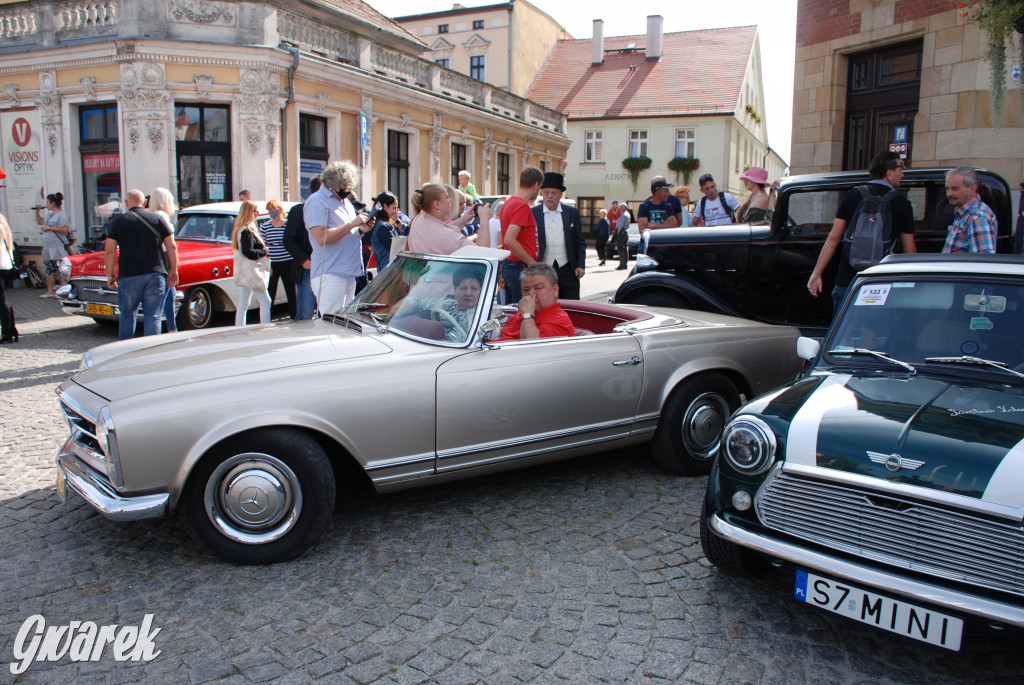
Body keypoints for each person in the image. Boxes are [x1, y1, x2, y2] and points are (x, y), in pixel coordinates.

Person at [807, 151, 916, 314]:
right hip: (881, 279)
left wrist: (816, 273)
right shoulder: (902, 204)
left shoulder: (853, 195)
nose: (903, 173)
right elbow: (909, 250)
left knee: (842, 328)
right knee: (871, 328)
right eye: (901, 168)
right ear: (889, 173)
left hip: (848, 277)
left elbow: (833, 237)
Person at [105, 189, 179, 340]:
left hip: (128, 275)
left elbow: (110, 251)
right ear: (145, 202)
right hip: (155, 274)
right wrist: (173, 270)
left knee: (127, 315)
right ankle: (151, 351)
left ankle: (126, 351)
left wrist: (110, 275)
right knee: (153, 316)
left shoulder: (118, 222)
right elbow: (171, 246)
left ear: (126, 203)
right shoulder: (157, 219)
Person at [304, 161, 371, 316]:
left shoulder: (344, 202)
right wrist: (352, 224)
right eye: (345, 185)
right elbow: (321, 237)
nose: (347, 189)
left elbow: (344, 233)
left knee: (344, 323)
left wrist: (361, 230)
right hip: (330, 273)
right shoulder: (317, 201)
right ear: (333, 183)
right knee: (331, 323)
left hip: (346, 272)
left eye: (349, 185)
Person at [532, 172, 585, 300]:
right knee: (545, 304)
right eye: (546, 192)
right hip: (543, 269)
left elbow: (579, 241)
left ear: (561, 194)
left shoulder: (571, 213)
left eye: (554, 193)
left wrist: (580, 265)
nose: (549, 196)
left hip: (567, 268)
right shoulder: (533, 213)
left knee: (571, 305)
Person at [398, 266, 484, 339]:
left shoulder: (487, 313)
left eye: (474, 289)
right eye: (463, 288)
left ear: (481, 291)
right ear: (455, 290)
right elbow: (416, 300)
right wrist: (397, 312)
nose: (468, 293)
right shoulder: (445, 302)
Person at [497, 263, 576, 341]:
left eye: (539, 288)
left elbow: (532, 347)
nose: (531, 294)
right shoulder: (523, 313)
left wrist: (527, 314)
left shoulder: (559, 320)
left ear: (555, 290)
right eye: (526, 290)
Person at [500, 166, 544, 302]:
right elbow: (509, 239)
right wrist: (531, 262)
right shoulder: (522, 206)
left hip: (511, 264)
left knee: (512, 312)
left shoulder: (509, 202)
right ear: (536, 185)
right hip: (518, 266)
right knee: (523, 312)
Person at [284, 176, 319, 320]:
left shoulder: (330, 210)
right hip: (308, 268)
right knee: (305, 314)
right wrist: (304, 260)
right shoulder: (298, 211)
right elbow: (288, 239)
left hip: (327, 267)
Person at [231, 201, 271, 326]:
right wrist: (263, 251)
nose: (257, 214)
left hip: (245, 271)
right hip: (252, 270)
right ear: (249, 213)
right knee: (265, 301)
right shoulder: (247, 231)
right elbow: (248, 252)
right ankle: (266, 327)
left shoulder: (240, 230)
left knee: (244, 302)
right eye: (256, 212)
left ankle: (240, 329)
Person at [407, 184, 477, 255]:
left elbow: (442, 229)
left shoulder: (418, 220)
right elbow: (480, 255)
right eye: (447, 197)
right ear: (437, 204)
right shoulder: (448, 235)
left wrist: (463, 220)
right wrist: (484, 219)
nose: (450, 200)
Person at [942, 166, 997, 254]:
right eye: (947, 188)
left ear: (972, 188)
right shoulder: (964, 212)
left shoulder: (977, 217)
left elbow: (983, 261)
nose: (949, 194)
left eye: (955, 188)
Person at [148, 187, 180, 331]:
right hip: (164, 260)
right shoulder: (162, 217)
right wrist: (174, 266)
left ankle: (171, 327)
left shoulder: (151, 215)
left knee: (167, 295)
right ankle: (172, 328)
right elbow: (170, 245)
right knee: (168, 295)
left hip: (154, 259)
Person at [261, 199, 296, 318]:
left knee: (290, 290)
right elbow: (263, 245)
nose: (271, 212)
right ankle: (268, 315)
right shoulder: (265, 226)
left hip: (287, 261)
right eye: (269, 210)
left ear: (279, 210)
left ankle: (293, 315)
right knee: (271, 291)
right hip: (273, 263)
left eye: (273, 209)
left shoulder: (287, 225)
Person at [34, 192, 71, 297]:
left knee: (62, 269)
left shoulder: (62, 215)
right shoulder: (50, 215)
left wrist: (50, 228)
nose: (46, 204)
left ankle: (64, 290)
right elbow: (40, 222)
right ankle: (50, 291)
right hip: (48, 248)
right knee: (49, 269)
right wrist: (37, 212)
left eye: (47, 202)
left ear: (53, 203)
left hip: (58, 247)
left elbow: (64, 229)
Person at [370, 191, 407, 272]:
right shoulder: (382, 227)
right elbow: (396, 248)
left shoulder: (381, 224)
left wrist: (397, 222)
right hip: (388, 271)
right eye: (394, 208)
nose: (396, 211)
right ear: (385, 206)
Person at [0, 213, 17, 343]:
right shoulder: (3, 225)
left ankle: (7, 332)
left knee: (2, 300)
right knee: (4, 298)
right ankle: (11, 330)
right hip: (6, 266)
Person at [612, 203, 631, 270]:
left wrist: (617, 233)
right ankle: (624, 264)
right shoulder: (627, 214)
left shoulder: (624, 215)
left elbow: (620, 226)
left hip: (622, 234)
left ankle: (622, 265)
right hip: (624, 233)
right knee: (624, 249)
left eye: (621, 207)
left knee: (621, 249)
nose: (619, 209)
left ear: (624, 208)